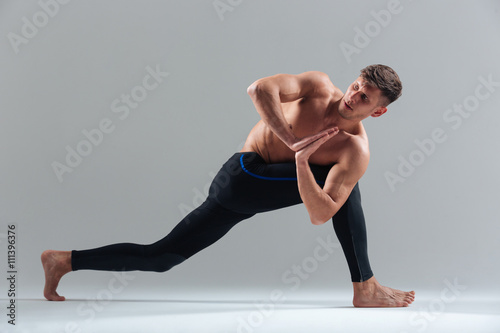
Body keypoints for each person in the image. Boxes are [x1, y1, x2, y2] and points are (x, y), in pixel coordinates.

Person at [42, 64, 415, 307]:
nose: (352, 96)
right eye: (356, 86)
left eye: (364, 98)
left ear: (378, 111)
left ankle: (64, 260)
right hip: (242, 177)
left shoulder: (354, 151)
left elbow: (320, 215)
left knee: (162, 257)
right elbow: (258, 89)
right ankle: (364, 286)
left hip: (258, 193)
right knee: (341, 188)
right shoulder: (317, 87)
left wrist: (301, 161)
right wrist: (292, 143)